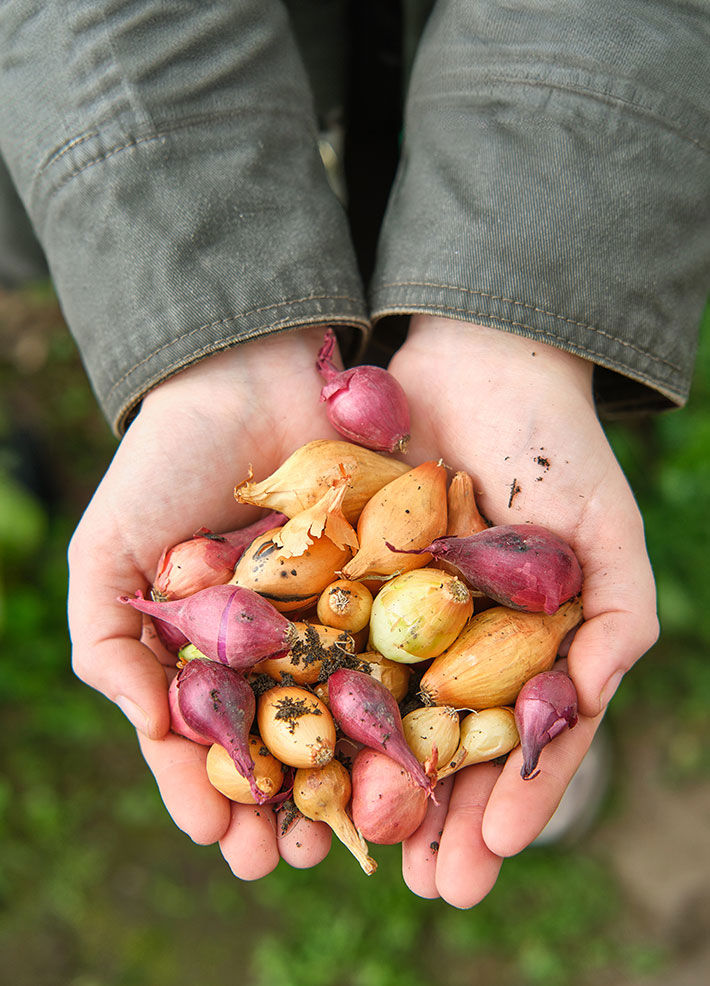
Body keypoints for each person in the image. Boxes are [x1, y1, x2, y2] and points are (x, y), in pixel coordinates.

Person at [1, 0, 708, 909]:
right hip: (215, 148)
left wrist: (520, 327)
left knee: (477, 641)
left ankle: (484, 717)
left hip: (479, 155)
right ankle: (449, 732)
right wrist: (208, 344)